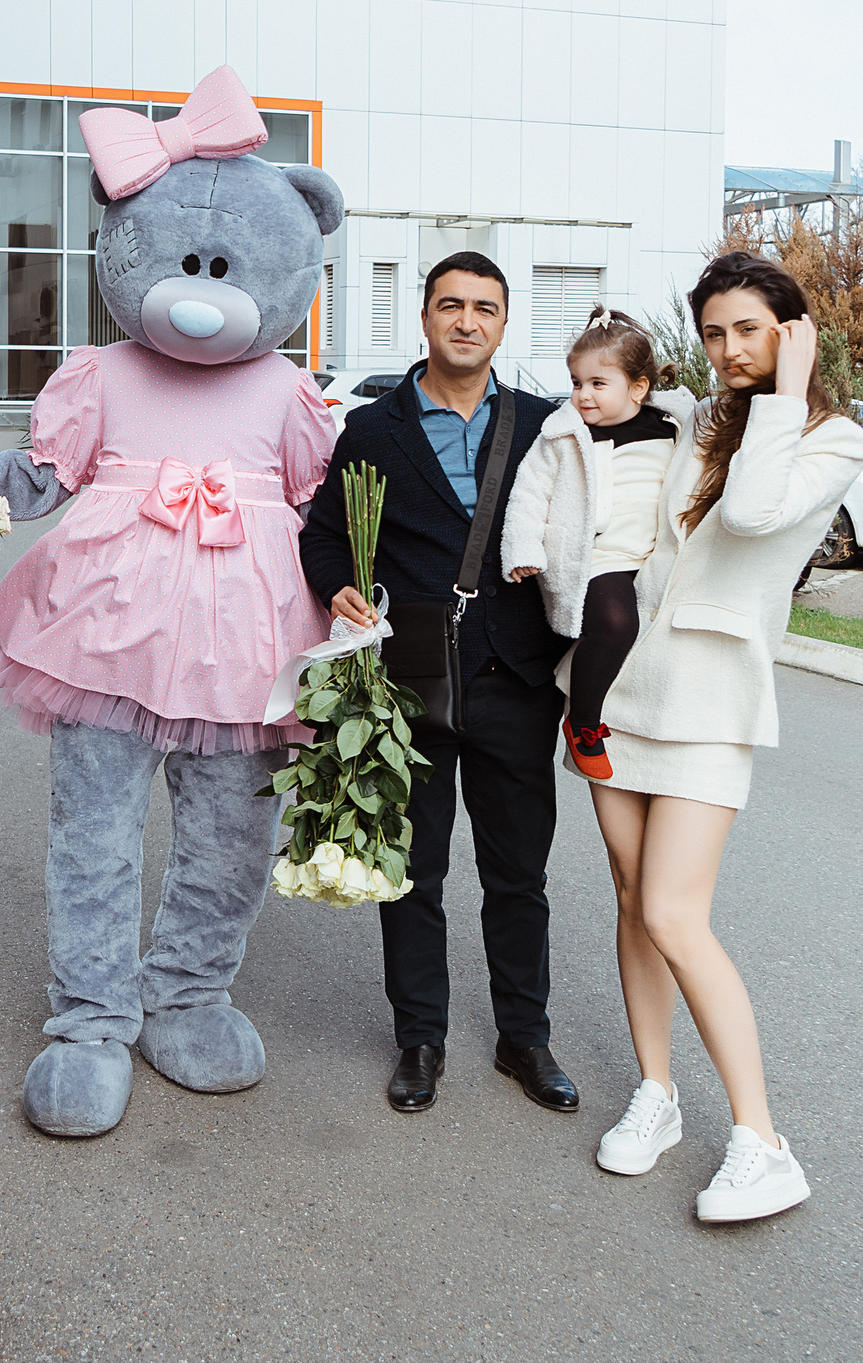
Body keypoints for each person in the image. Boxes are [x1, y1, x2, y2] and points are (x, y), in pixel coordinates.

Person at [585, 251, 863, 1224]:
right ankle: (656, 1095)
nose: (728, 348)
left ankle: (762, 1139)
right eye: (713, 332)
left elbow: (750, 516)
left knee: (674, 912)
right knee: (629, 898)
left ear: (790, 330)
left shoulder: (833, 439)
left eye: (748, 328)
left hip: (711, 702)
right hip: (624, 690)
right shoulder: (697, 422)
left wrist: (785, 392)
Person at [303, 252, 575, 1116]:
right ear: (424, 319)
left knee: (517, 873)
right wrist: (335, 582)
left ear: (503, 323)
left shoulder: (546, 424)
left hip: (518, 679)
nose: (467, 321)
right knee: (414, 873)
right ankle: (420, 1037)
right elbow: (321, 536)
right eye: (450, 305)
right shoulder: (373, 430)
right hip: (410, 683)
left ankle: (523, 1038)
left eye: (484, 308)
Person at [500, 308, 689, 783]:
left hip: (651, 558)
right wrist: (523, 548)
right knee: (615, 622)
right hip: (596, 557)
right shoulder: (563, 435)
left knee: (650, 637)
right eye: (576, 382)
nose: (583, 395)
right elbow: (528, 493)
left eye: (598, 384)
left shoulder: (671, 429)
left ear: (638, 387)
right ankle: (582, 721)